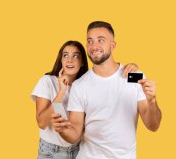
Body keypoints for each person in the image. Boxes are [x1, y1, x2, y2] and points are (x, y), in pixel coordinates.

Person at [51, 21, 162, 159]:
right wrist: (63, 130)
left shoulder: (133, 77)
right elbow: (75, 135)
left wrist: (152, 101)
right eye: (90, 41)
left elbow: (153, 126)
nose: (94, 46)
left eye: (100, 40)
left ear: (113, 45)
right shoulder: (80, 85)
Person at [31, 40, 139, 159]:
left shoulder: (84, 84)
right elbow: (41, 123)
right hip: (52, 152)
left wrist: (133, 68)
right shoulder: (47, 81)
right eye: (65, 55)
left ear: (82, 62)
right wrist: (61, 92)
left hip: (79, 150)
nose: (69, 60)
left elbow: (114, 79)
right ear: (60, 60)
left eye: (75, 56)